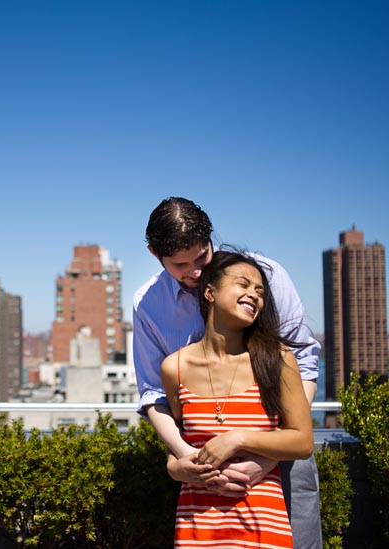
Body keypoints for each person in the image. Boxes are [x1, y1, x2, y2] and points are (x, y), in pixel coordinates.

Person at [133, 197, 322, 549]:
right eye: (180, 265)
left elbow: (305, 363)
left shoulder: (262, 275)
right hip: (201, 489)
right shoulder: (147, 303)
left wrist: (266, 458)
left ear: (210, 239)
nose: (194, 271)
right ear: (154, 254)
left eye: (201, 258)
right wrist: (186, 459)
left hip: (281, 461)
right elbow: (153, 393)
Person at [161, 250, 314, 546]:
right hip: (197, 529)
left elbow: (302, 440)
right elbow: (180, 442)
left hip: (262, 525)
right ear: (210, 292)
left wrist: (237, 438)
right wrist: (175, 468)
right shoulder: (174, 367)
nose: (253, 295)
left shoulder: (277, 359)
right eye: (243, 285)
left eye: (259, 291)